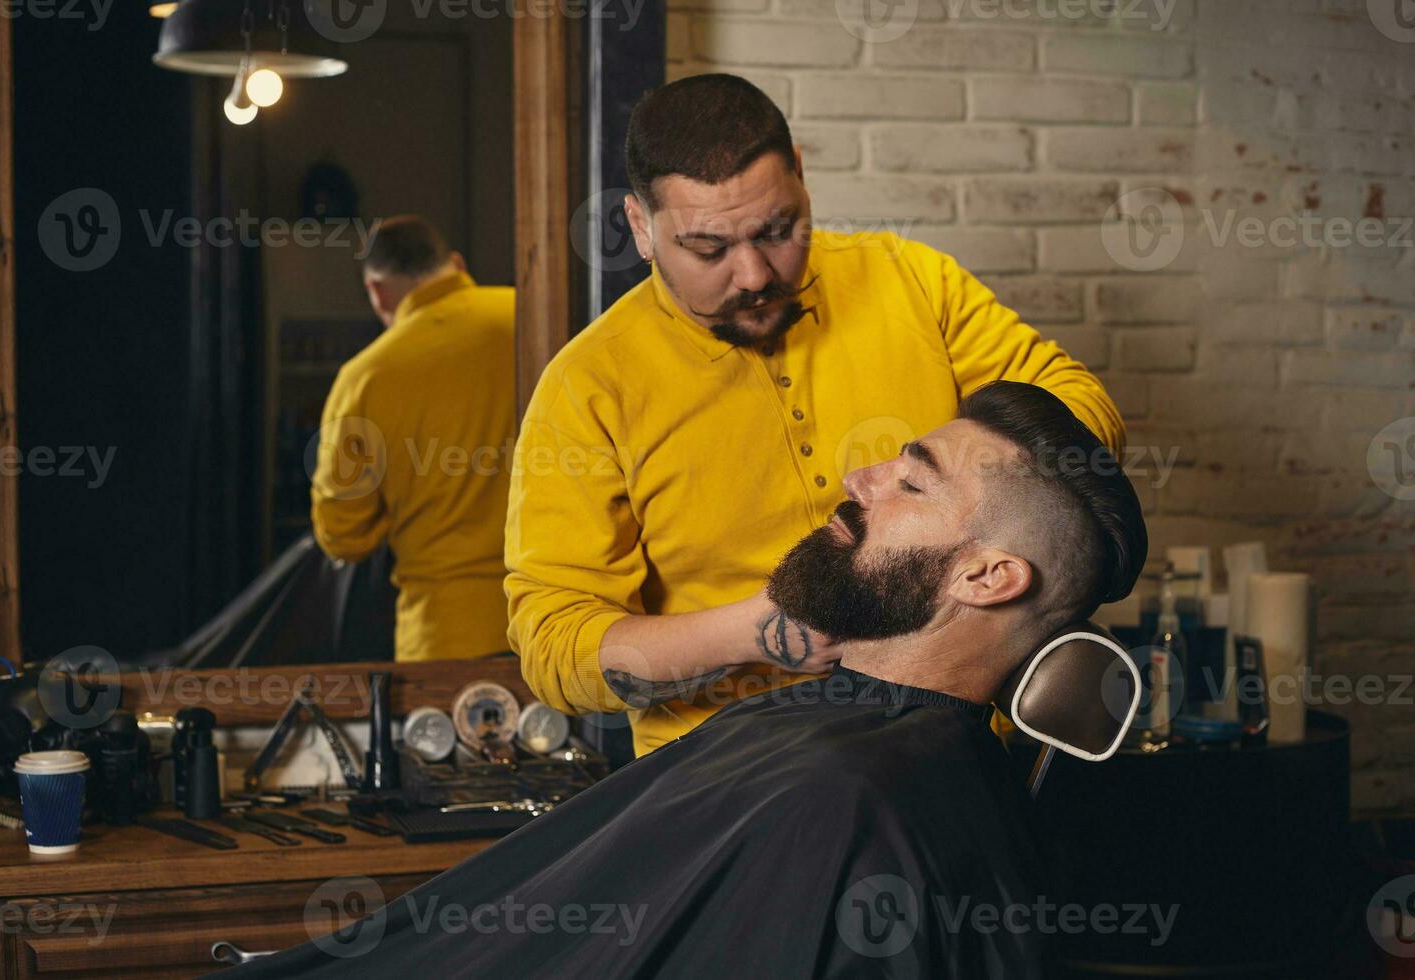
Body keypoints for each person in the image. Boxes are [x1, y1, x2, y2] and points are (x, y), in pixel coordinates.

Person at [229, 381, 1148, 979]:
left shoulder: (851, 805)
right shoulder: (838, 752)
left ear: (987, 578)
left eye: (911, 483)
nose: (858, 477)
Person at [505, 73, 1127, 757]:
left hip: (954, 755)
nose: (753, 274)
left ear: (800, 174)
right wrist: (763, 628)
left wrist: (957, 524)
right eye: (709, 250)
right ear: (640, 229)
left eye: (777, 231)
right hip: (730, 784)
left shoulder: (911, 281)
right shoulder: (587, 387)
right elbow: (556, 645)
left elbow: (1077, 410)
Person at [311, 215, 515, 661]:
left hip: (446, 637)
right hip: (564, 626)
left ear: (376, 291)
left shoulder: (365, 378)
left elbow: (343, 536)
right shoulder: (535, 317)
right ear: (457, 264)